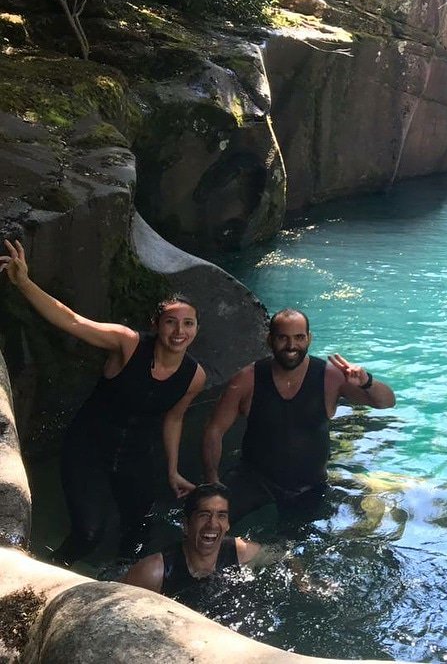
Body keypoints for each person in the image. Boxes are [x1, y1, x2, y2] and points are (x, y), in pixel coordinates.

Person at [1, 238, 206, 565]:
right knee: (89, 535)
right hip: (88, 449)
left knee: (138, 533)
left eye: (188, 323)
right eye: (171, 321)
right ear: (156, 325)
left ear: (196, 328)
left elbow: (174, 418)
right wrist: (24, 282)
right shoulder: (127, 344)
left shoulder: (194, 376)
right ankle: (49, 575)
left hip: (136, 457)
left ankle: (122, 581)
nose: (179, 331)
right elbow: (73, 321)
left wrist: (172, 470)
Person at [201, 308, 395, 524]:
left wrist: (367, 382)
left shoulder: (330, 377)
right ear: (269, 340)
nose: (291, 346)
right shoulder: (248, 379)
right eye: (282, 338)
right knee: (209, 522)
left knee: (296, 542)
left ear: (309, 338)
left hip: (308, 486)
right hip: (253, 479)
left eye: (299, 337)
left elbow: (386, 402)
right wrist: (212, 481)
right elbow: (214, 430)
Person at [121, 482, 260, 606]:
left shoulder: (242, 553)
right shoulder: (154, 572)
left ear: (228, 524)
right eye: (204, 515)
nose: (212, 524)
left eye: (221, 516)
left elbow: (274, 555)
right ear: (186, 524)